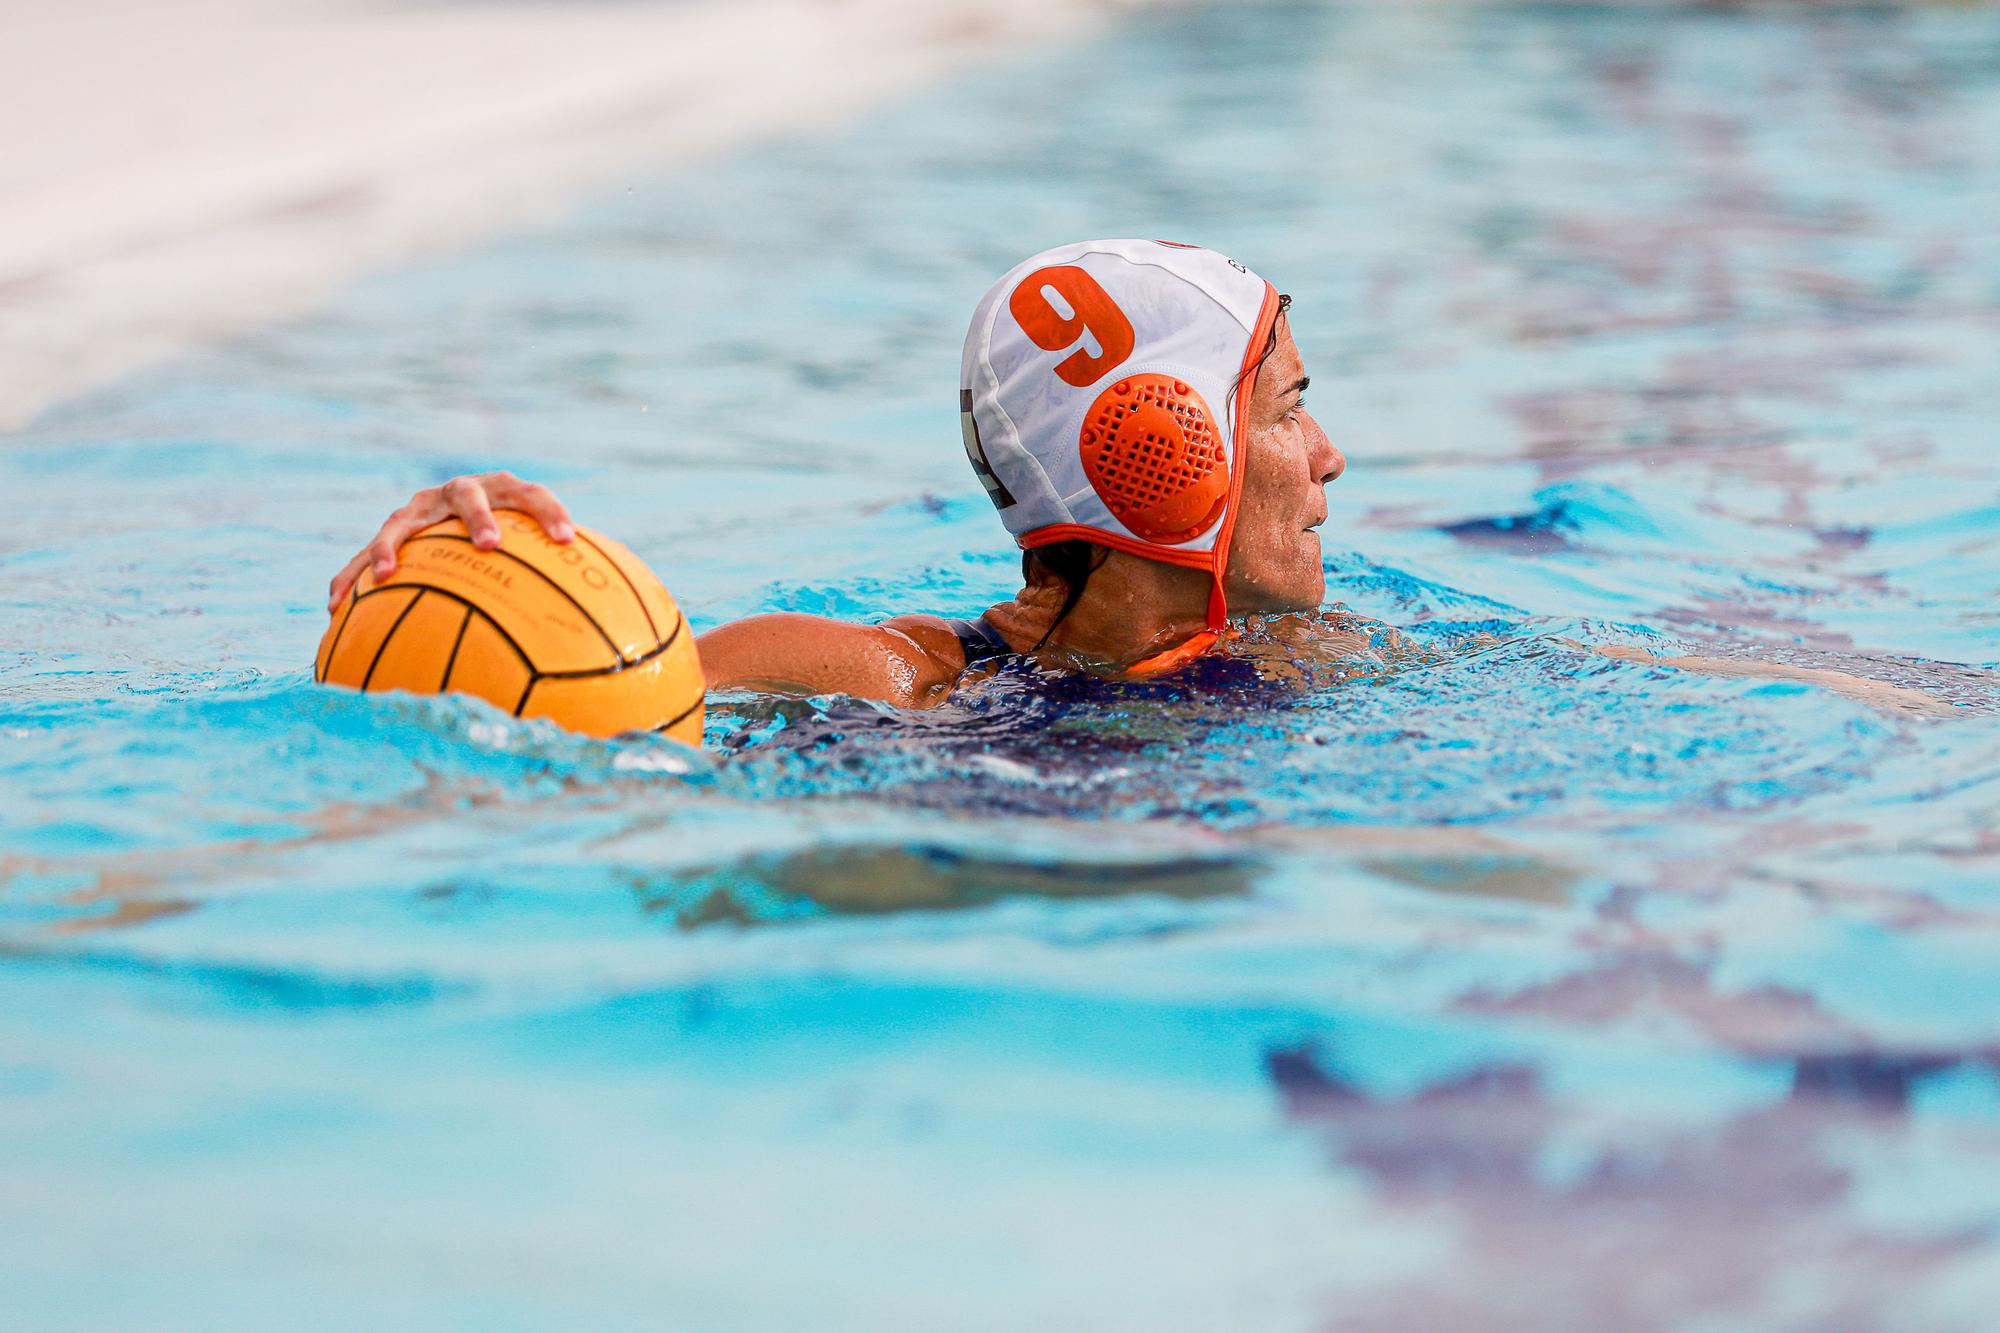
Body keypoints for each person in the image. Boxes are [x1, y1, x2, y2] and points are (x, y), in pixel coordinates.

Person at [327, 239, 1954, 718]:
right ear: (1155, 444)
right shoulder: (901, 678)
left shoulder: (1330, 659)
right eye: (1291, 404)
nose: (1331, 455)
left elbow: (1677, 674)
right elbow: (606, 695)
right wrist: (468, 578)